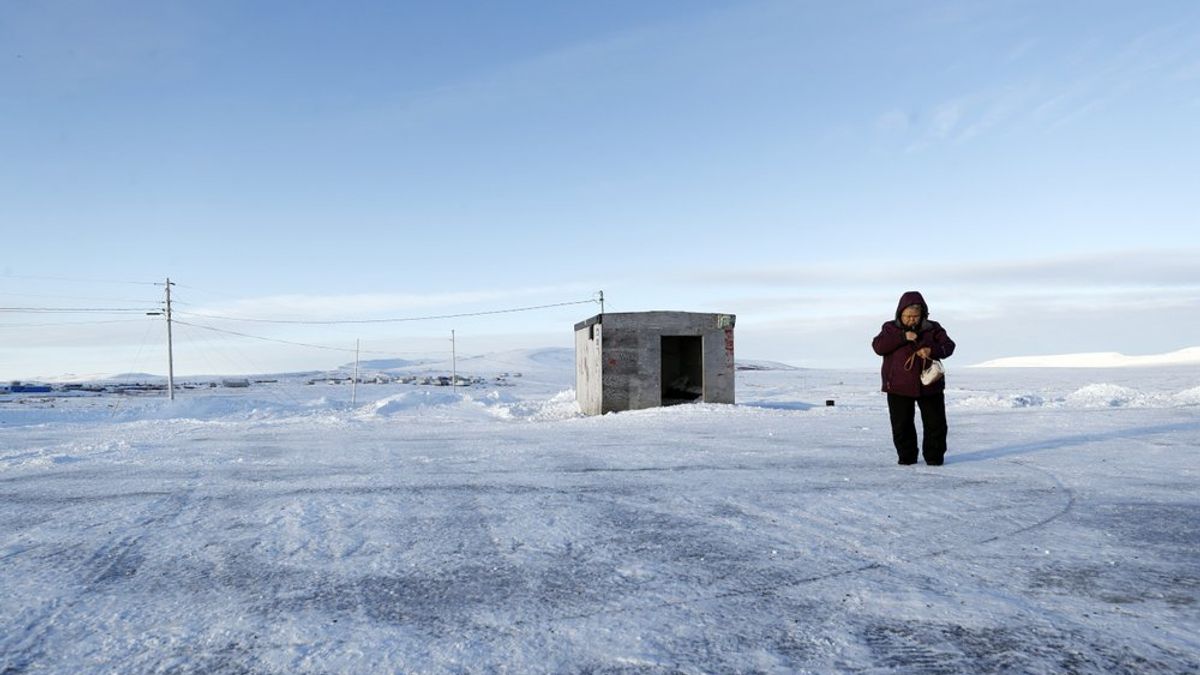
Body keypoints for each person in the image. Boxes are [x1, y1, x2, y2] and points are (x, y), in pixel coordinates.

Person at [871, 291, 956, 465]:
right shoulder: (890, 328)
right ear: (900, 313)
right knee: (902, 425)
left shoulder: (933, 328)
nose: (911, 319)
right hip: (898, 386)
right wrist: (902, 337)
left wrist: (931, 350)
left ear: (923, 314)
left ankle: (934, 459)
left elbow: (949, 346)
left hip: (929, 385)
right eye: (908, 316)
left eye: (916, 316)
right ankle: (907, 459)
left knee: (936, 424)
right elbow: (878, 347)